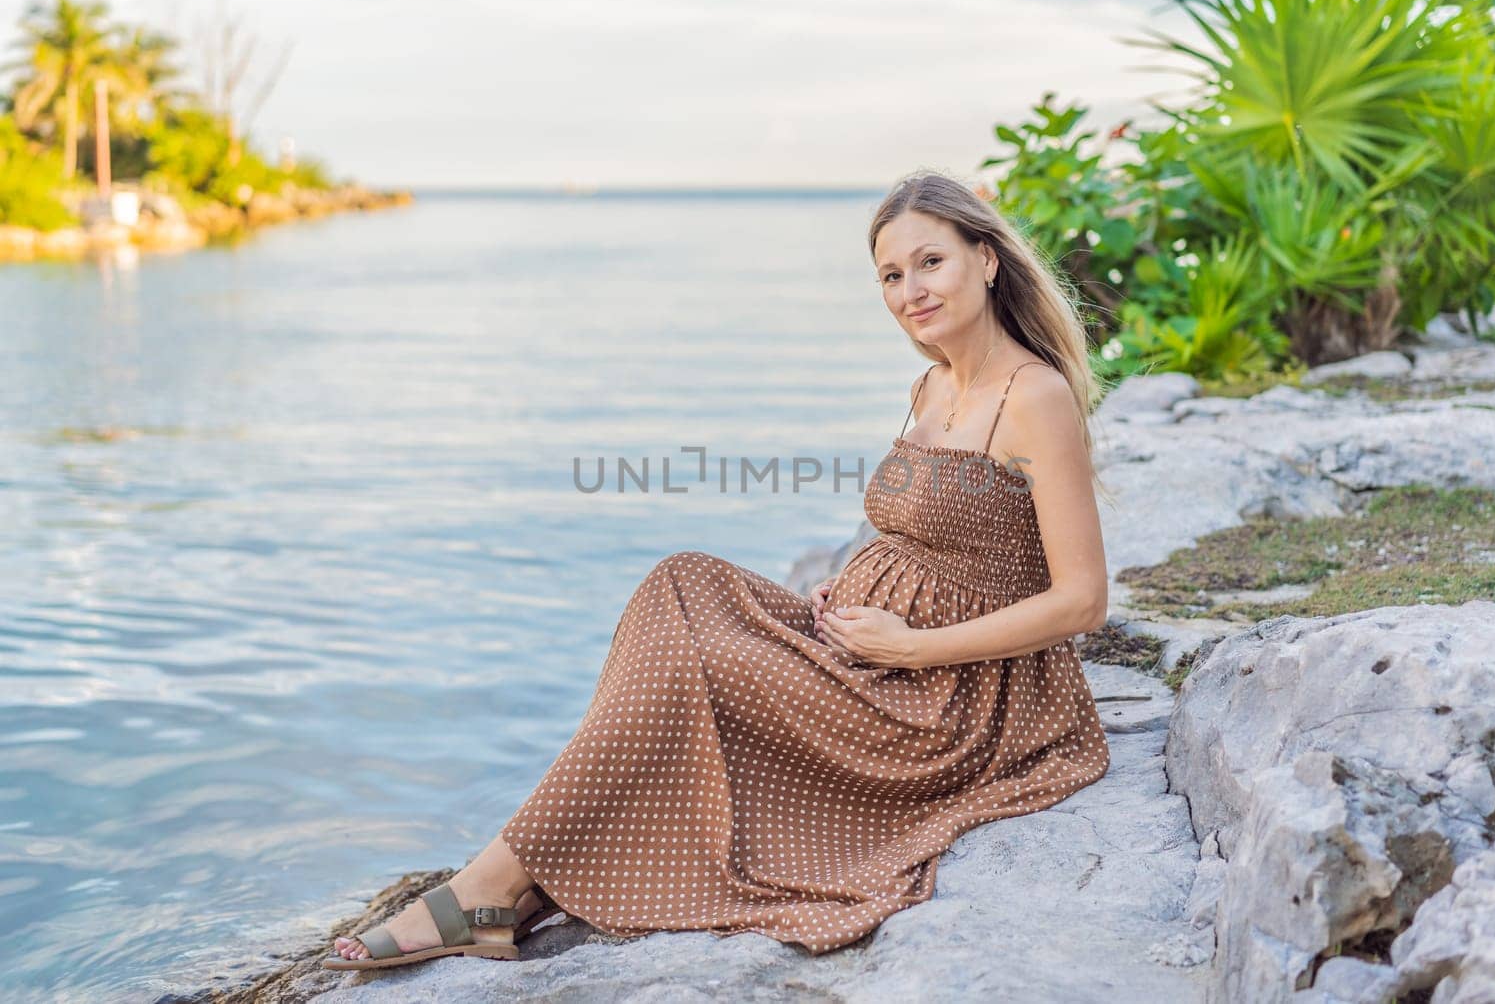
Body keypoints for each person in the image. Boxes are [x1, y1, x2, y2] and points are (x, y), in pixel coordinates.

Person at [324, 169, 1112, 970]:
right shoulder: (932, 384)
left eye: (929, 262)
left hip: (950, 699)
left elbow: (1082, 601)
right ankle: (527, 867)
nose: (910, 289)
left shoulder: (1035, 395)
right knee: (681, 580)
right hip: (869, 646)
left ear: (986, 258)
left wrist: (909, 647)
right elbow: (918, 537)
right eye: (891, 274)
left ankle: (490, 888)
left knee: (695, 659)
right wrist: (849, 584)